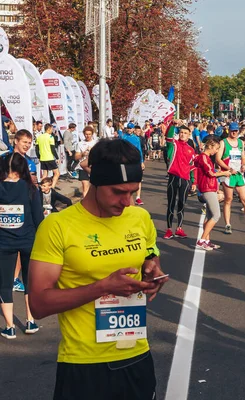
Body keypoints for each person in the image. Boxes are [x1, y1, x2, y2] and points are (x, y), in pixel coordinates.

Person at [28, 138, 168, 399]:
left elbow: (150, 251)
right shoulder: (58, 226)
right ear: (95, 181)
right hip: (84, 364)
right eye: (117, 192)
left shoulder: (140, 218)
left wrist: (153, 267)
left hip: (136, 356)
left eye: (133, 191)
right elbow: (38, 303)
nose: (127, 201)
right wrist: (102, 287)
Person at [0, 152, 44, 339]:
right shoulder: (30, 189)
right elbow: (39, 218)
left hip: (3, 242)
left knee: (4, 285)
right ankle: (30, 321)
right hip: (29, 241)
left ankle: (9, 327)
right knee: (30, 282)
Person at [216, 122, 245, 235]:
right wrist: (228, 168)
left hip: (239, 175)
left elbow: (243, 157)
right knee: (228, 200)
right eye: (232, 130)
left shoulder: (240, 142)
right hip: (228, 174)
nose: (234, 132)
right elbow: (218, 159)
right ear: (229, 131)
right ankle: (227, 225)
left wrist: (243, 165)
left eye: (236, 131)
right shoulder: (223, 143)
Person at [194, 138, 231, 251]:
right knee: (216, 215)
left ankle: (206, 241)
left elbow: (210, 171)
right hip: (207, 188)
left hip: (210, 188)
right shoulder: (204, 157)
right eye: (216, 148)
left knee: (209, 216)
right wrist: (224, 172)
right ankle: (202, 240)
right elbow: (210, 173)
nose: (216, 151)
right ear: (210, 146)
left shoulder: (206, 158)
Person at [164, 122, 196, 239]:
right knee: (171, 204)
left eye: (185, 133)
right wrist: (172, 124)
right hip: (173, 178)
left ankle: (179, 228)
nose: (183, 135)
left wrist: (194, 182)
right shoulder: (174, 144)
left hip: (185, 179)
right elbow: (168, 135)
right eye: (181, 132)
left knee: (182, 203)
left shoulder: (191, 150)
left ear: (189, 135)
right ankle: (169, 229)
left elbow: (192, 166)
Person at [74, 126, 97, 198]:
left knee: (95, 187)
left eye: (89, 134)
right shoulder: (80, 144)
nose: (88, 136)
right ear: (84, 134)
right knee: (85, 186)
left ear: (92, 134)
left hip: (93, 167)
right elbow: (76, 157)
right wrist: (82, 154)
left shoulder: (96, 143)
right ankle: (86, 204)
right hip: (82, 168)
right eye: (86, 134)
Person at [36, 123, 60, 189]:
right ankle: (52, 187)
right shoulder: (50, 137)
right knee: (57, 173)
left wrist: (39, 157)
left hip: (42, 158)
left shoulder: (39, 137)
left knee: (45, 175)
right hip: (49, 158)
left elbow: (36, 149)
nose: (52, 130)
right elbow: (53, 149)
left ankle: (41, 188)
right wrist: (57, 158)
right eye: (52, 129)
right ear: (49, 129)